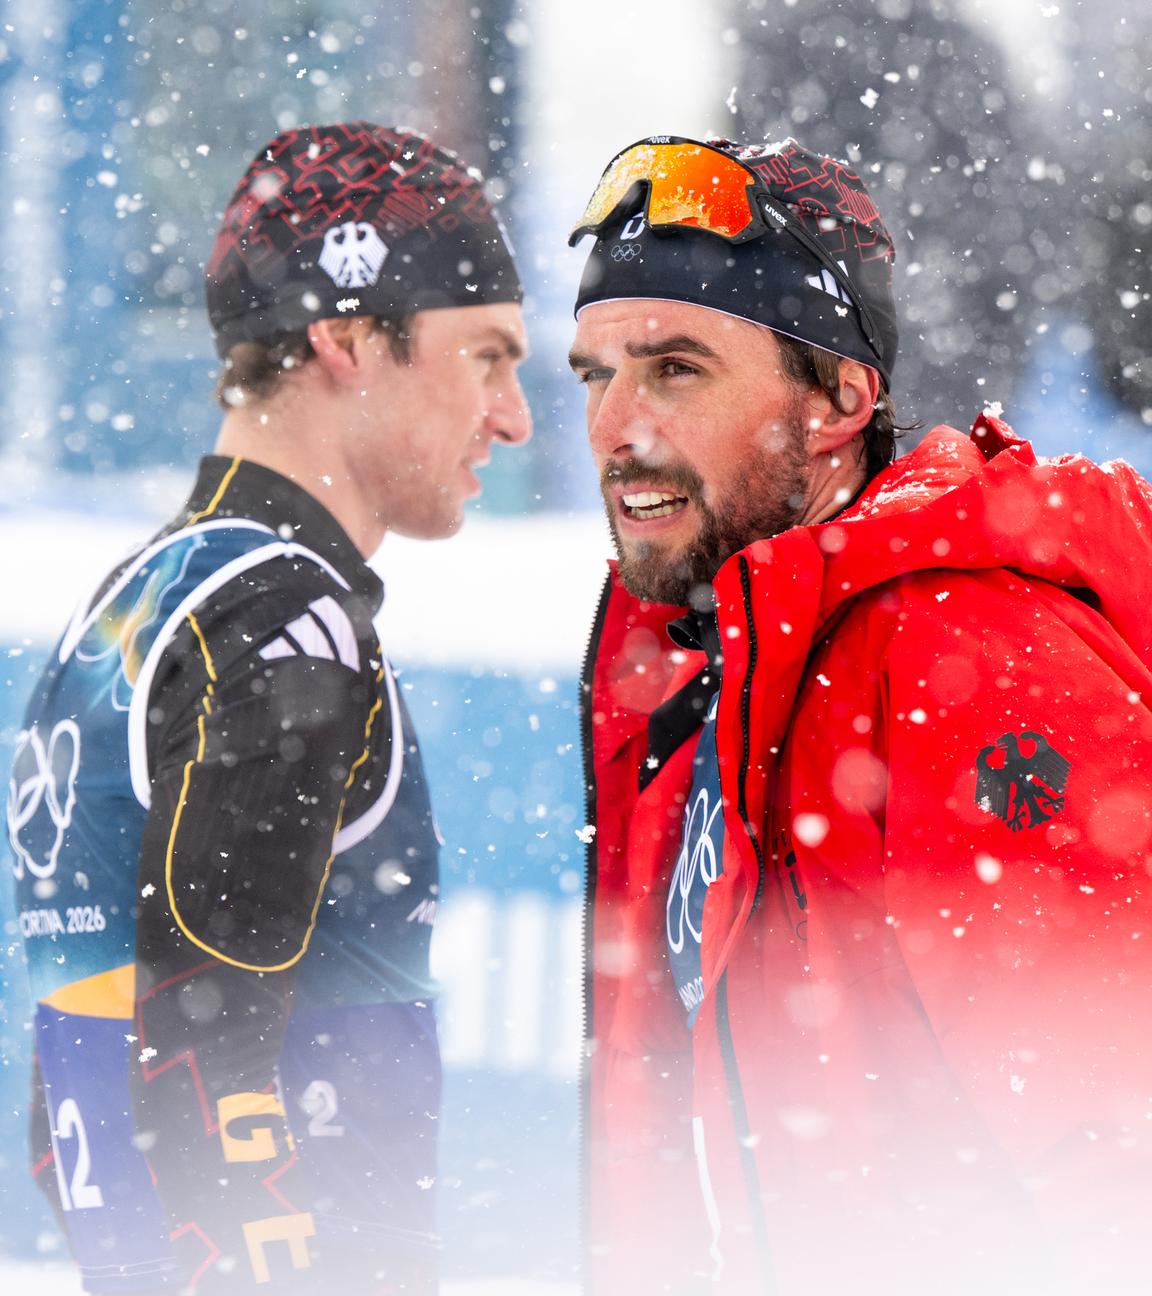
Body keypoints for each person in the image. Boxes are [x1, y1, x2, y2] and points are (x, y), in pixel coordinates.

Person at [567, 135, 1152, 1295]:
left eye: (675, 369)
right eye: (595, 373)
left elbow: (1117, 1169)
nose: (612, 426)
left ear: (841, 400)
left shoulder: (975, 657)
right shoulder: (699, 668)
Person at [7, 121, 530, 1294]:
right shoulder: (285, 625)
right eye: (487, 358)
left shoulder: (134, 608)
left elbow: (69, 1118)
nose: (514, 416)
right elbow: (197, 1073)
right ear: (347, 336)